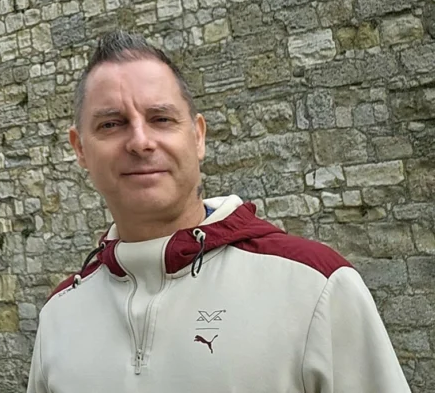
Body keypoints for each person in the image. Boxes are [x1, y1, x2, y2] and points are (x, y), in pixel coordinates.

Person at [26, 30, 411, 393]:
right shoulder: (61, 316)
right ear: (80, 149)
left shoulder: (316, 287)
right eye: (112, 124)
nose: (141, 141)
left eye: (161, 119)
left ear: (198, 136)